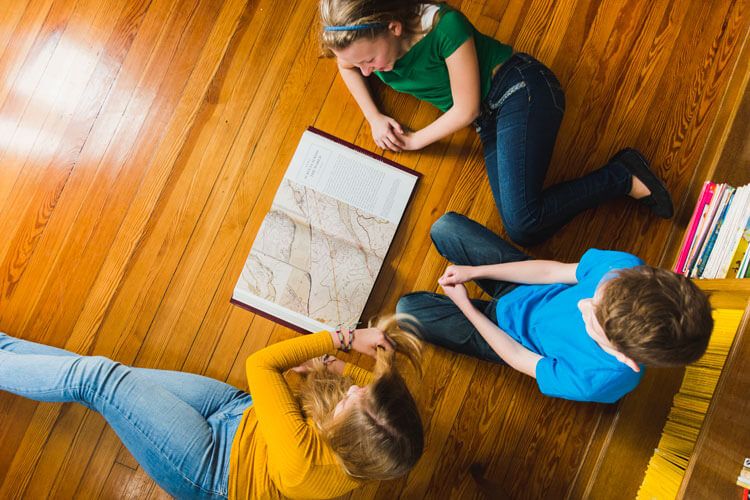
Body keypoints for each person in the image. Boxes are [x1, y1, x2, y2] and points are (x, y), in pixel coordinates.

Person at [319, 0, 674, 246]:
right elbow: (345, 64)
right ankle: (623, 175)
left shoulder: (445, 27)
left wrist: (414, 141)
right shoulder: (362, 49)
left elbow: (466, 109)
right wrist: (374, 116)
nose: (365, 70)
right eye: (361, 64)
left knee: (524, 223)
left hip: (519, 90)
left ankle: (623, 177)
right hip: (490, 120)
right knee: (524, 230)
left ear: (394, 27)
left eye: (369, 60)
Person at [0, 317, 423, 499]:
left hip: (210, 467)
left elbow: (261, 363)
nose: (353, 389)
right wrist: (338, 360)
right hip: (241, 413)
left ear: (344, 438)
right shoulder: (385, 439)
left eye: (354, 401)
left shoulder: (302, 465)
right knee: (105, 375)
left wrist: (342, 339)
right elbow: (364, 386)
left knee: (97, 379)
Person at [396, 212, 713, 403]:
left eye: (593, 316)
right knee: (445, 227)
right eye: (598, 292)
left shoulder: (598, 379)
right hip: (529, 287)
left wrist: (467, 308)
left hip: (505, 335)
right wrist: (475, 272)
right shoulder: (622, 269)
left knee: (405, 309)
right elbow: (551, 272)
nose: (583, 302)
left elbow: (518, 357)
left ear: (623, 355)